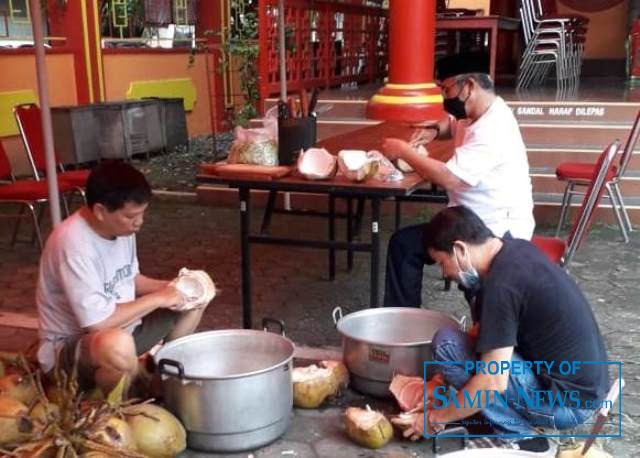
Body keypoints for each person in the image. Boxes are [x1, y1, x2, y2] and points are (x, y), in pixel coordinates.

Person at [406, 206, 609, 454]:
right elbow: (483, 333)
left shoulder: (501, 286)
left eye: (442, 262)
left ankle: (523, 438)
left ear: (459, 249)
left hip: (569, 406)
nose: (445, 273)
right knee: (456, 343)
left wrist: (433, 419)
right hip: (584, 391)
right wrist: (439, 379)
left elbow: (493, 381)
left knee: (450, 347)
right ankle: (490, 417)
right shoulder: (514, 251)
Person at [36, 161, 211, 394]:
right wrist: (160, 298)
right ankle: (116, 411)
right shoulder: (73, 244)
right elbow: (98, 324)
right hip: (70, 352)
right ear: (100, 211)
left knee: (193, 301)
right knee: (117, 344)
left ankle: (158, 383)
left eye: (142, 214)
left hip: (126, 332)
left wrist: (174, 288)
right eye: (131, 216)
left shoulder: (120, 228)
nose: (139, 222)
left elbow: (130, 278)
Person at [380, 53, 535, 307]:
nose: (444, 97)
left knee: (473, 277)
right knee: (404, 246)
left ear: (469, 86)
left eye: (446, 88)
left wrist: (403, 151)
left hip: (495, 228)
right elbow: (451, 124)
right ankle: (403, 323)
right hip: (466, 218)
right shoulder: (476, 112)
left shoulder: (495, 128)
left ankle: (487, 322)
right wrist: (434, 130)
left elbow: (449, 178)